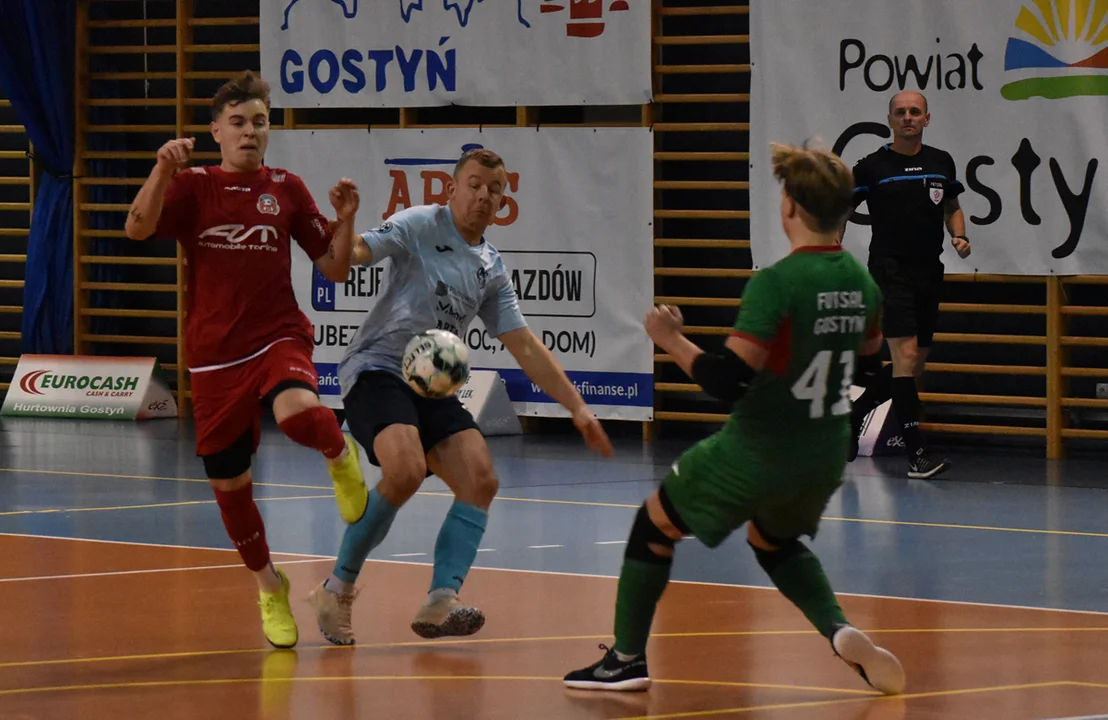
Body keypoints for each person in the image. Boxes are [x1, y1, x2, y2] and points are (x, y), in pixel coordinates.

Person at [563, 141, 906, 696]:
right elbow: (873, 368)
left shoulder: (776, 282)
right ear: (845, 212)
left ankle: (625, 660)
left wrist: (669, 339)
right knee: (774, 541)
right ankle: (838, 629)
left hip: (759, 447)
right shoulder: (862, 284)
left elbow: (726, 380)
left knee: (653, 525)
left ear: (788, 206)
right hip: (823, 453)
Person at [307, 147, 614, 645]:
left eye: (494, 190)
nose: (483, 196)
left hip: (432, 384)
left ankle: (439, 601)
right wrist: (345, 222)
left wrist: (577, 406)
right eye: (473, 184)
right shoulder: (419, 224)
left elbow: (526, 347)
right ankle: (336, 589)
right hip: (378, 370)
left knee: (481, 479)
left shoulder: (491, 267)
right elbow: (351, 259)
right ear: (452, 188)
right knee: (404, 470)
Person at [123, 71, 370, 649]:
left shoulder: (286, 187)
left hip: (278, 333)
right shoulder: (192, 186)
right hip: (213, 357)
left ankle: (339, 452)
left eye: (259, 122)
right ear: (216, 131)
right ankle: (270, 587)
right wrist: (163, 169)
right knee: (231, 488)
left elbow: (333, 267)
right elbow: (137, 229)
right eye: (237, 122)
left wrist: (348, 218)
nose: (250, 131)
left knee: (297, 413)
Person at [847, 90, 971, 479]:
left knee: (914, 365)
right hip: (889, 269)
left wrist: (959, 236)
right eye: (900, 112)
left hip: (928, 270)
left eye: (914, 112)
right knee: (905, 355)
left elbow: (951, 205)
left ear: (926, 119)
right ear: (890, 119)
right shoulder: (870, 167)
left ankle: (852, 415)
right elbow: (842, 211)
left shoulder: (940, 162)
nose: (907, 118)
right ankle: (918, 456)